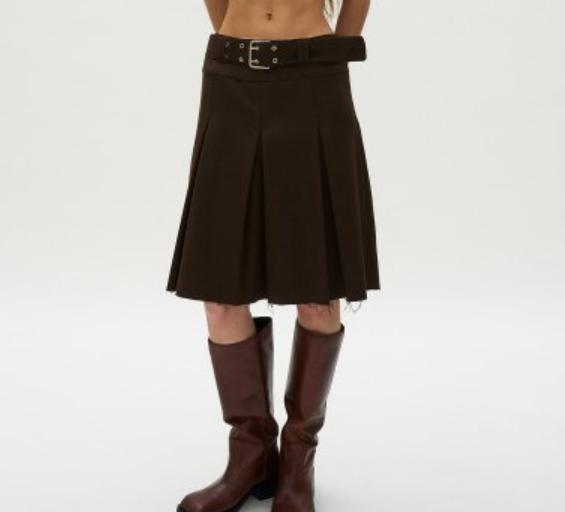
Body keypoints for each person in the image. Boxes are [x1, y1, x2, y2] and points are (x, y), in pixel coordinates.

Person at [166, 1, 379, 511]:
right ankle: (251, 454)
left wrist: (331, 54)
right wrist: (242, 45)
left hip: (313, 78)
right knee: (220, 293)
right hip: (230, 76)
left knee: (318, 292)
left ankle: (299, 457)